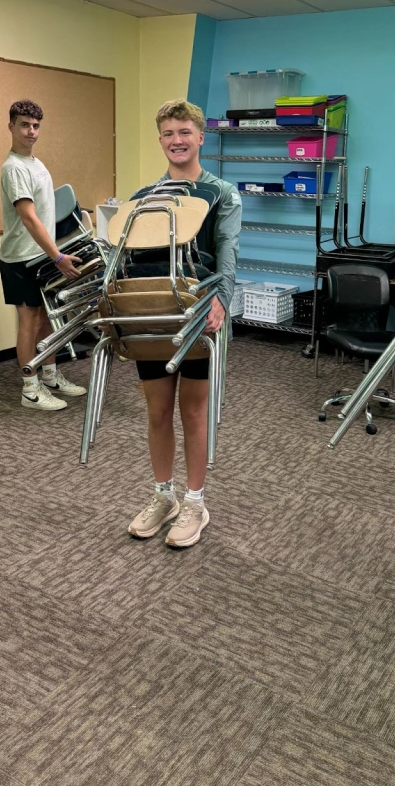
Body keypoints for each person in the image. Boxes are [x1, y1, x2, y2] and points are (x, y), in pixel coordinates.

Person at [127, 99, 241, 548]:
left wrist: (220, 302)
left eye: (184, 132)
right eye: (169, 134)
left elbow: (227, 255)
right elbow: (132, 259)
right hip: (153, 315)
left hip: (200, 314)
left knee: (192, 412)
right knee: (157, 412)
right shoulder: (145, 198)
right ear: (160, 140)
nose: (177, 141)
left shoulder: (221, 194)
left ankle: (195, 501)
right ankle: (164, 497)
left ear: (200, 137)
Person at [0, 99, 87, 411]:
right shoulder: (14, 169)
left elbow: (49, 213)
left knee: (49, 319)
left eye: (36, 125)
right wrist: (58, 257)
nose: (31, 131)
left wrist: (64, 248)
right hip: (21, 259)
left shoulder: (37, 164)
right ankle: (30, 390)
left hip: (43, 256)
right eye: (24, 125)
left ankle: (49, 375)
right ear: (11, 127)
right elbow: (29, 218)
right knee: (30, 321)